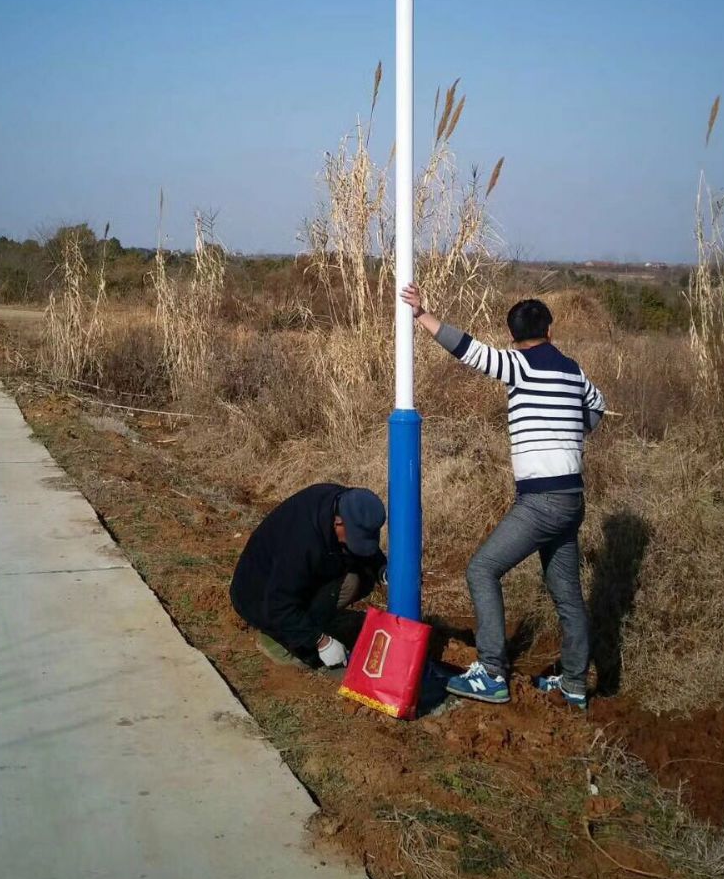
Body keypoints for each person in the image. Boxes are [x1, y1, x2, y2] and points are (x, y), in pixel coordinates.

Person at [401, 284, 605, 709]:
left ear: (513, 335)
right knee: (565, 591)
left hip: (541, 502)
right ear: (551, 331)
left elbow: (468, 350)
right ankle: (574, 683)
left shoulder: (519, 365)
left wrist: (422, 315)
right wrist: (572, 429)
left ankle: (491, 672)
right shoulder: (574, 371)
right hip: (572, 499)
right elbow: (595, 409)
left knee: (481, 570)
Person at [229, 482, 386, 669]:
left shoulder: (345, 504)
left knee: (360, 577)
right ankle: (274, 641)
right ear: (338, 522)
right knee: (347, 583)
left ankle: (308, 622)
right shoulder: (300, 544)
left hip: (290, 579)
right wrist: (321, 641)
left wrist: (382, 568)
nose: (358, 544)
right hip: (259, 598)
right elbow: (277, 605)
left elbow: (365, 542)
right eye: (355, 538)